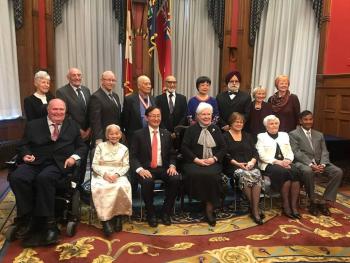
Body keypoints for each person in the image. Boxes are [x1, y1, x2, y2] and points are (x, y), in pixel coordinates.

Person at [8, 99, 88, 247]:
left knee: (44, 179)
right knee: (17, 177)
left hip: (59, 163)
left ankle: (49, 223)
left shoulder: (72, 126)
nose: (58, 112)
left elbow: (81, 147)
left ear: (65, 111)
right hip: (35, 161)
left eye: (61, 110)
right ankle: (27, 216)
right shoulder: (33, 125)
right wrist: (25, 154)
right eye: (55, 109)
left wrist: (73, 157)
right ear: (48, 110)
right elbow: (23, 145)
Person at [130, 106, 180, 227]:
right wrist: (140, 169)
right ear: (147, 118)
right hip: (146, 169)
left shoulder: (166, 134)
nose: (156, 118)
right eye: (153, 116)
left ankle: (166, 212)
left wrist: (172, 166)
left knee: (175, 178)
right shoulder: (138, 134)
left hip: (163, 168)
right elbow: (132, 156)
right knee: (147, 181)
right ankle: (150, 212)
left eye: (158, 116)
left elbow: (172, 154)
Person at [289, 110, 343, 216]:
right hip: (303, 163)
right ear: (300, 121)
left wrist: (322, 164)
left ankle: (324, 201)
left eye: (310, 119)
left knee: (338, 172)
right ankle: (313, 201)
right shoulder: (293, 134)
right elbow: (296, 152)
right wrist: (311, 164)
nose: (308, 122)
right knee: (308, 171)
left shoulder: (319, 134)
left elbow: (325, 151)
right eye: (305, 119)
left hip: (320, 163)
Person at [181, 102, 226, 226]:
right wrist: (196, 160)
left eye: (209, 114)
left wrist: (214, 159)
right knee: (196, 174)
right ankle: (202, 201)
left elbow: (223, 148)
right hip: (194, 162)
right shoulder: (191, 129)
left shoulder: (215, 129)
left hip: (212, 162)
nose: (206, 117)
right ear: (197, 116)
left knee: (212, 176)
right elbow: (184, 148)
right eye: (203, 114)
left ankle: (209, 209)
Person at [256, 115, 301, 219]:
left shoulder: (284, 135)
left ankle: (293, 206)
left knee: (296, 172)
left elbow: (290, 151)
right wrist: (277, 162)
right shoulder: (261, 136)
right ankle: (285, 204)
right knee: (284, 173)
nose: (274, 125)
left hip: (285, 162)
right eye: (271, 124)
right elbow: (261, 155)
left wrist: (288, 160)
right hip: (270, 164)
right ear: (266, 126)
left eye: (276, 123)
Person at [223, 112, 264, 225]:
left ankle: (253, 208)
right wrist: (238, 164)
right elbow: (225, 155)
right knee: (245, 174)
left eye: (241, 122)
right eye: (237, 121)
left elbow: (255, 152)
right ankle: (255, 210)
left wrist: (252, 161)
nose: (239, 124)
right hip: (233, 166)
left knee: (256, 174)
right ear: (231, 123)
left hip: (249, 165)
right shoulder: (224, 136)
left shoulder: (248, 135)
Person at [91, 124, 131, 236]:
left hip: (118, 175)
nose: (114, 136)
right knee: (102, 187)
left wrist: (117, 175)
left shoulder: (124, 149)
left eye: (117, 133)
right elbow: (94, 165)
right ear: (107, 135)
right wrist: (104, 175)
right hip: (101, 174)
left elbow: (126, 166)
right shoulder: (100, 147)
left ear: (120, 135)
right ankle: (105, 221)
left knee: (122, 186)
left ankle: (118, 216)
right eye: (111, 133)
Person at [56, 68, 91, 183]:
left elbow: (90, 111)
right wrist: (79, 130)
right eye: (74, 75)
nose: (77, 77)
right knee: (74, 161)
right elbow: (64, 114)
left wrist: (89, 129)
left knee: (84, 158)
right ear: (68, 77)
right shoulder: (62, 92)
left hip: (88, 132)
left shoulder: (86, 90)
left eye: (79, 75)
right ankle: (72, 186)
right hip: (73, 132)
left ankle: (80, 185)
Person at [89, 71, 122, 147]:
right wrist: (98, 139)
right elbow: (95, 120)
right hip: (103, 138)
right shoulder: (96, 97)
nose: (111, 82)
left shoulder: (115, 96)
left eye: (113, 80)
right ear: (102, 81)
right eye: (108, 80)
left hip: (115, 137)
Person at [122, 75, 156, 143]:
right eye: (146, 84)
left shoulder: (154, 99)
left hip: (151, 136)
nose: (149, 86)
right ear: (139, 86)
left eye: (150, 84)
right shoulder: (130, 100)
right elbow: (125, 119)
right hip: (135, 137)